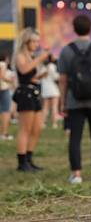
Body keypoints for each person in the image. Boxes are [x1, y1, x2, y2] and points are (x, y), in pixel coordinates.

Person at [58, 14, 91, 184]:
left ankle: (76, 174)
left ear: (74, 29)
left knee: (75, 137)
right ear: (90, 29)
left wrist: (62, 100)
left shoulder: (66, 51)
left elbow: (63, 79)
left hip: (74, 101)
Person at [12, 28, 49, 171]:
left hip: (34, 92)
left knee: (37, 128)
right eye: (33, 41)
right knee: (25, 129)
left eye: (37, 41)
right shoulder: (20, 55)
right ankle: (22, 162)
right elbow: (23, 70)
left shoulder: (30, 56)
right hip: (25, 94)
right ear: (26, 41)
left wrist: (39, 76)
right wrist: (40, 58)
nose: (36, 44)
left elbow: (29, 74)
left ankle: (29, 158)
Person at [41, 52, 60, 128]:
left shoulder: (43, 67)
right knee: (54, 106)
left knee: (45, 107)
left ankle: (43, 123)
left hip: (45, 89)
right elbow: (55, 77)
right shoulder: (52, 66)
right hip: (53, 89)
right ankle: (54, 123)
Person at [0, 54, 14, 140]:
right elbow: (2, 76)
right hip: (3, 89)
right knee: (6, 111)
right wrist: (10, 80)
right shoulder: (2, 64)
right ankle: (4, 133)